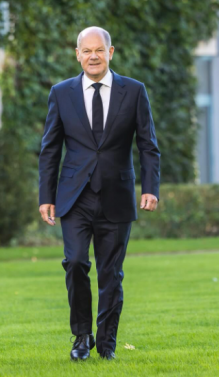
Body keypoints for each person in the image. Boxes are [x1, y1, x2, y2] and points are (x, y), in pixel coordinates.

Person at [39, 27, 160, 361]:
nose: (93, 56)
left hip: (117, 196)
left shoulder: (134, 91)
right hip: (74, 197)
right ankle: (82, 337)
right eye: (86, 50)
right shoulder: (61, 93)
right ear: (77, 54)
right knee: (75, 262)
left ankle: (106, 342)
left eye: (99, 50)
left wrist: (150, 188)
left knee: (111, 273)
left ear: (111, 52)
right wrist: (45, 196)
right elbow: (50, 149)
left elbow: (148, 145)